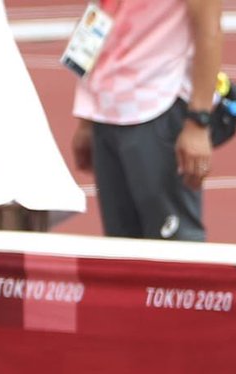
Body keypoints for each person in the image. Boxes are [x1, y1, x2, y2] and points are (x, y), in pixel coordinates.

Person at [70, 0, 222, 241]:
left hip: (158, 106)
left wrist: (198, 122)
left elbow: (209, 32)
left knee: (173, 248)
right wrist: (86, 115)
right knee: (121, 248)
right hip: (107, 111)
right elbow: (96, 15)